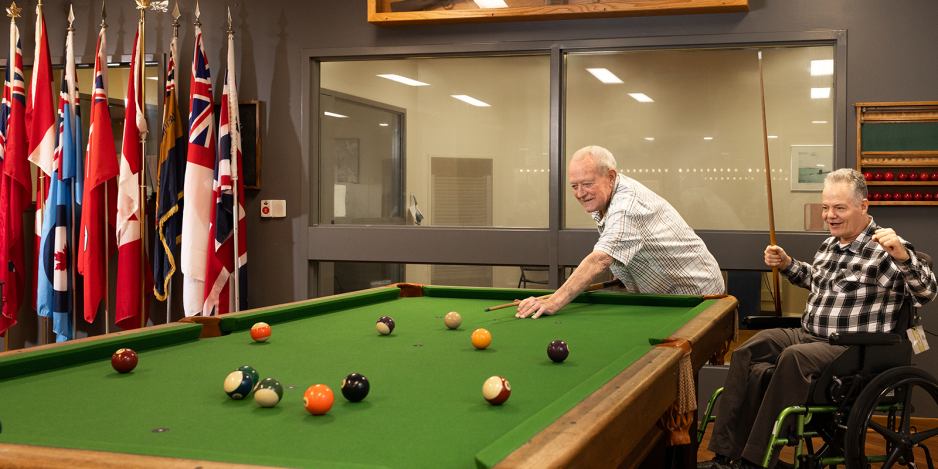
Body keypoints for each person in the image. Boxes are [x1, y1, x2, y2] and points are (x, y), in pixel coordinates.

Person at [702, 168, 938, 469]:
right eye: (825, 207)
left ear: (862, 206)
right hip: (809, 334)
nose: (830, 215)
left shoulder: (885, 249)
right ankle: (724, 455)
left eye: (839, 208)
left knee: (793, 358)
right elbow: (817, 281)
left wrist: (904, 257)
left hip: (851, 349)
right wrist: (788, 265)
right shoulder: (830, 245)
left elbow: (927, 292)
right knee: (750, 350)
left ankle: (755, 462)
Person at [516, 145, 724, 319]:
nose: (580, 193)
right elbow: (629, 240)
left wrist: (553, 302)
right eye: (574, 186)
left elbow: (600, 260)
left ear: (610, 176)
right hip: (669, 295)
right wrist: (624, 269)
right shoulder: (607, 193)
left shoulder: (626, 205)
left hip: (698, 296)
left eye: (587, 184)